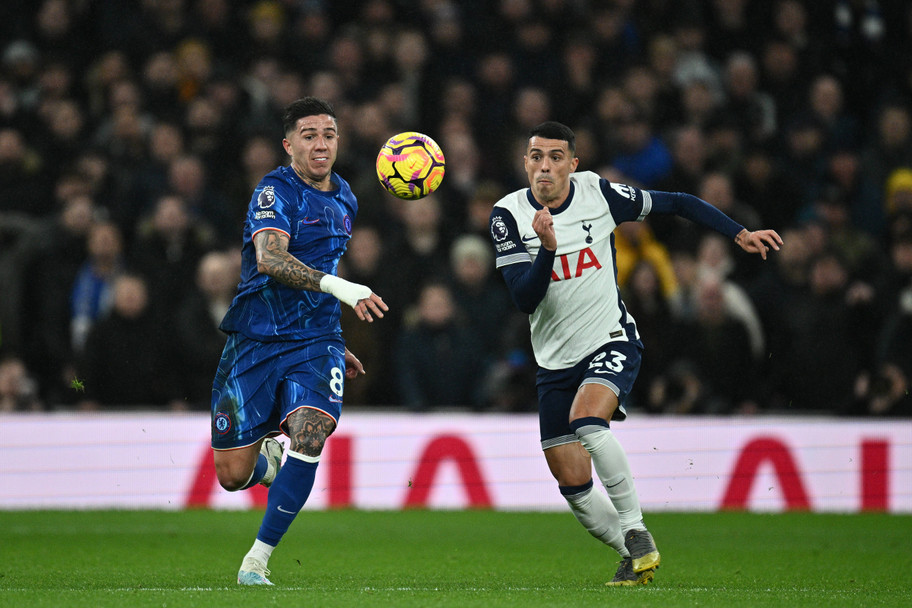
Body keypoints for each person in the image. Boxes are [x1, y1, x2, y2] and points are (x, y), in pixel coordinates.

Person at [488, 121, 782, 586]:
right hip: (553, 362)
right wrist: (547, 249)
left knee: (588, 422)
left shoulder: (599, 195)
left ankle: (636, 529)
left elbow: (679, 202)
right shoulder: (506, 215)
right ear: (525, 162)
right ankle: (633, 554)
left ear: (573, 164)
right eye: (536, 156)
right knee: (573, 485)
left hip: (610, 339)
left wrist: (738, 233)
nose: (544, 166)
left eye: (555, 157)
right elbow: (525, 299)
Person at [210, 97, 388, 586]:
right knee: (230, 475)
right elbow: (270, 259)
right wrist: (341, 289)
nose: (321, 144)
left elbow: (324, 268)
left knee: (311, 433)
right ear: (289, 145)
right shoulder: (274, 191)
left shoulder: (345, 198)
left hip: (316, 339)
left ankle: (257, 560)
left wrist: (332, 337)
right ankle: (268, 462)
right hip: (256, 338)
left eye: (328, 134)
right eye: (309, 135)